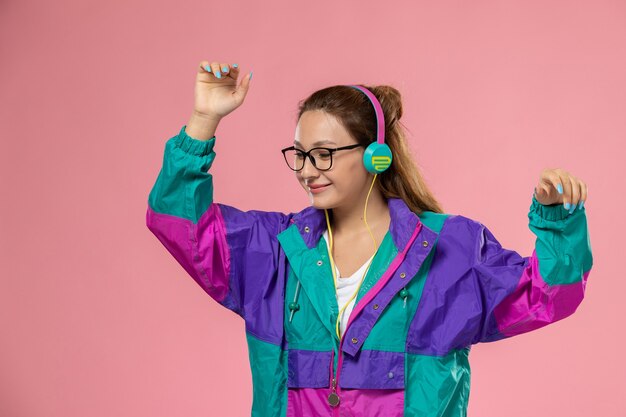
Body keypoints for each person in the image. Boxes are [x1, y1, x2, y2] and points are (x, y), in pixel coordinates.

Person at [146, 60, 593, 417]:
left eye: (323, 155)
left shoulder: (450, 249)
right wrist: (204, 119)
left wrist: (559, 221)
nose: (306, 170)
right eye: (299, 155)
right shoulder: (273, 250)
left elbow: (548, 295)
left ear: (376, 155)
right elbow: (178, 224)